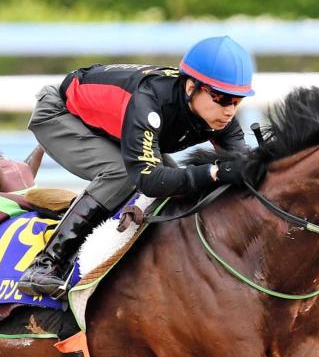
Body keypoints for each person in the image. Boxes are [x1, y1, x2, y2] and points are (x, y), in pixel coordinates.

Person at [17, 35, 254, 298]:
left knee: (175, 185)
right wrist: (214, 171)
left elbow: (243, 167)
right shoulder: (149, 100)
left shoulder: (220, 115)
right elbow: (149, 180)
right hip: (60, 113)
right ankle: (46, 264)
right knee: (123, 174)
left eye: (237, 101)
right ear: (191, 87)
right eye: (222, 98)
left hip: (114, 126)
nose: (230, 111)